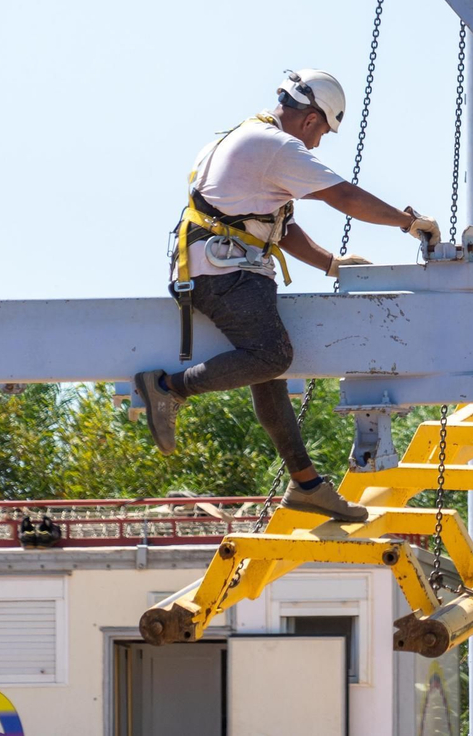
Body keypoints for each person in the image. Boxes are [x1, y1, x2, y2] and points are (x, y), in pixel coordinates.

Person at [133, 69, 439, 524]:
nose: (316, 146)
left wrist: (332, 264)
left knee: (268, 376)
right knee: (271, 355)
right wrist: (407, 222)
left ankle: (307, 485)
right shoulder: (276, 146)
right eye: (322, 135)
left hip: (222, 268)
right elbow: (344, 195)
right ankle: (169, 388)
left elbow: (281, 227)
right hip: (225, 273)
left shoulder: (246, 138)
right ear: (312, 119)